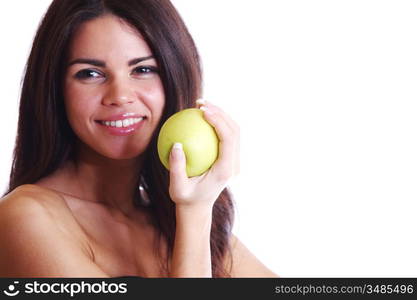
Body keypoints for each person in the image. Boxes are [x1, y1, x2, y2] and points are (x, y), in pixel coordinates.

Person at [0, 0, 277, 278]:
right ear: (55, 90)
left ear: (174, 76)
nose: (120, 95)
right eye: (90, 73)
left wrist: (195, 210)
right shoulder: (26, 217)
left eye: (143, 69)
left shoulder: (170, 217)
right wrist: (194, 213)